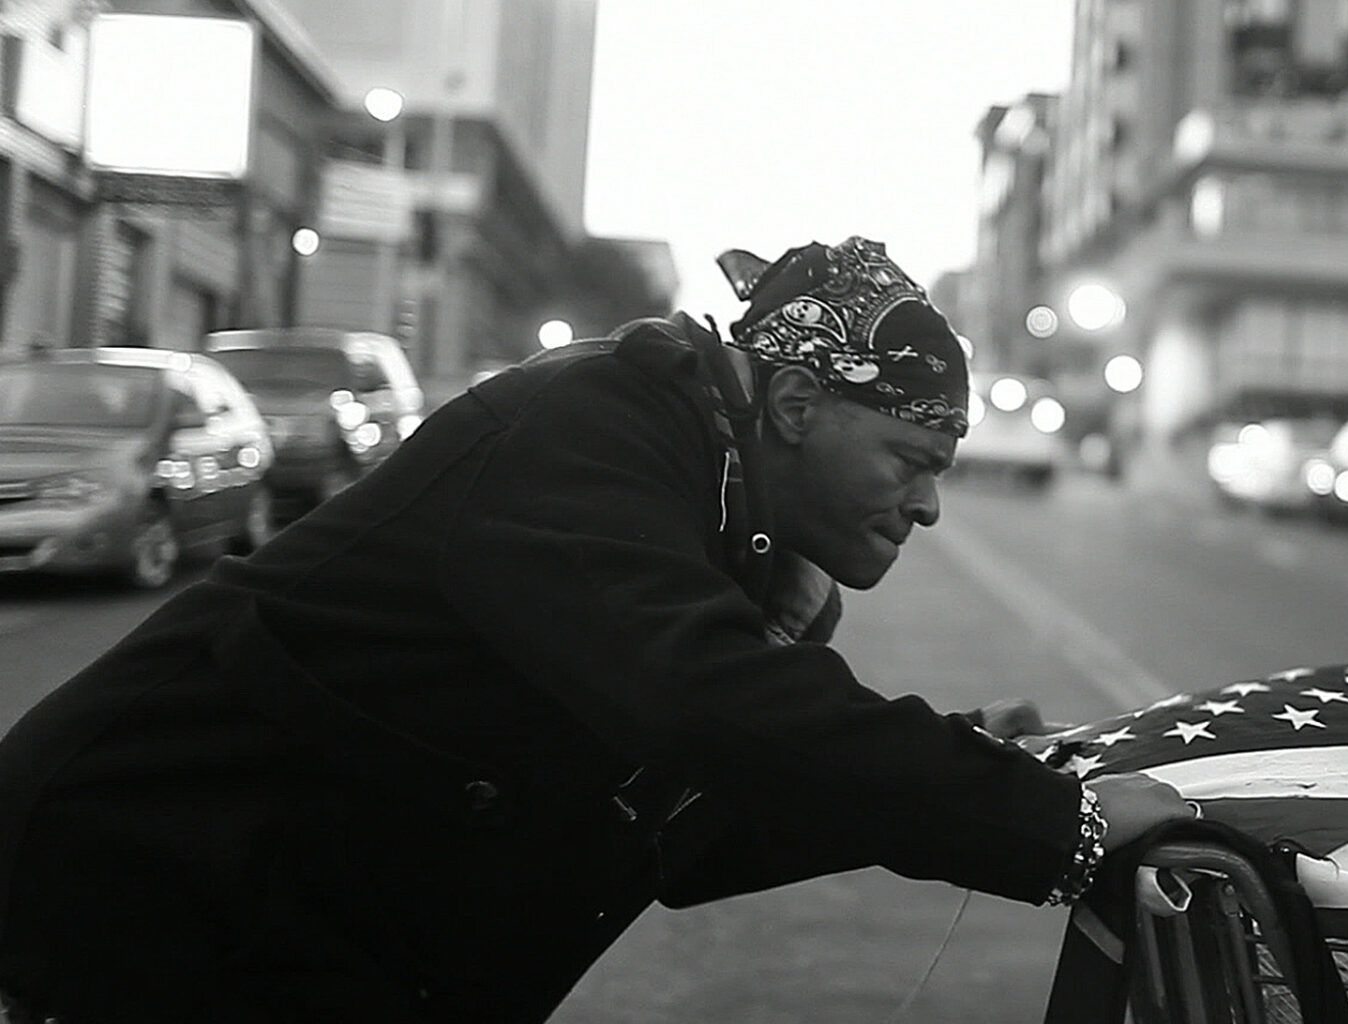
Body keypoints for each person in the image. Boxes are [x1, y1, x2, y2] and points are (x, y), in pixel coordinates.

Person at [0, 236, 1194, 1023]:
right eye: (910, 457)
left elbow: (688, 824)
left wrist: (970, 760)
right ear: (793, 402)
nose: (928, 503)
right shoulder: (593, 428)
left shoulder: (736, 539)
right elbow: (702, 701)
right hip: (126, 895)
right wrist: (1061, 828)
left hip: (297, 947)